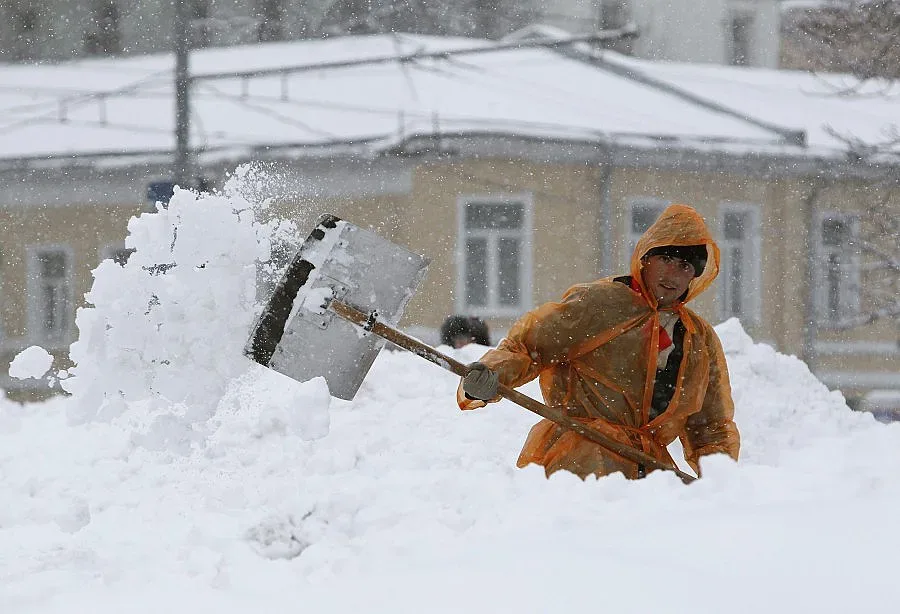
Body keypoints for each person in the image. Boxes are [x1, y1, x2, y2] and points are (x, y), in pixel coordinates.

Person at [458, 204, 740, 480]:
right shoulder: (599, 304)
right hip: (580, 461)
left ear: (695, 276)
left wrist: (722, 481)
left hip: (649, 477)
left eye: (685, 266)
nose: (673, 274)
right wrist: (490, 375)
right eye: (666, 259)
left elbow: (711, 426)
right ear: (646, 258)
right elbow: (527, 346)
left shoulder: (698, 338)